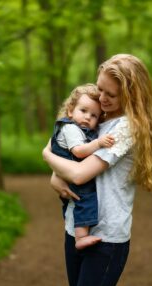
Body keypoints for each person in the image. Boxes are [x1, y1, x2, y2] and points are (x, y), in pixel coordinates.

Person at [43, 54, 152, 286]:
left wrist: (45, 156)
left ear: (131, 96)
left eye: (111, 94)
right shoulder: (96, 116)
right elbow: (65, 148)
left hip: (105, 237)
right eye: (100, 90)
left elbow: (77, 173)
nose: (102, 98)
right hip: (74, 227)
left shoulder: (127, 127)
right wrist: (55, 176)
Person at [50, 84, 115, 250]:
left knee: (75, 203)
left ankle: (76, 231)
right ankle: (81, 237)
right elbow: (79, 152)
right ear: (70, 111)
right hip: (73, 172)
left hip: (68, 172)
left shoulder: (78, 128)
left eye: (94, 115)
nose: (87, 117)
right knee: (86, 199)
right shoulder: (71, 129)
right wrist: (98, 143)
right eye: (83, 111)